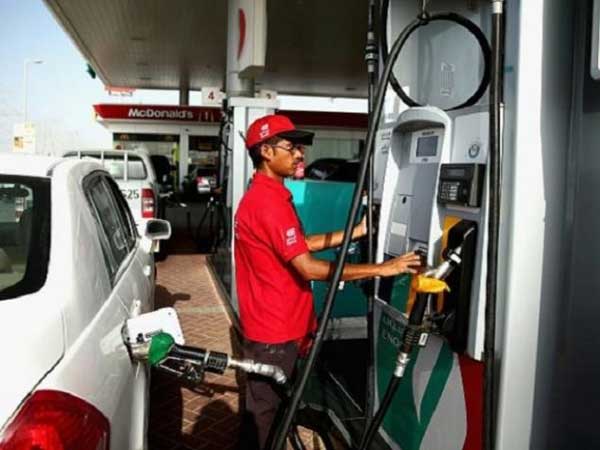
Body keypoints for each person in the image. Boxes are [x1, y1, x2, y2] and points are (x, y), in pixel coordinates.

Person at [234, 114, 421, 449]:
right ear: (266, 151)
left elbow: (301, 245)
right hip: (274, 335)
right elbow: (308, 267)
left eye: (300, 147)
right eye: (291, 147)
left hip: (278, 328)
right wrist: (382, 268)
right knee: (263, 422)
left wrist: (358, 231)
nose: (300, 154)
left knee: (273, 416)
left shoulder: (270, 196)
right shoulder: (267, 203)